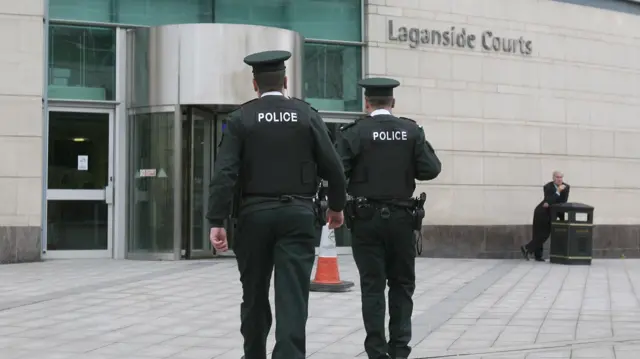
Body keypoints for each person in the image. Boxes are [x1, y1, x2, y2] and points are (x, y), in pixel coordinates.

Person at [206, 50, 347, 359]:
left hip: (253, 217)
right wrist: (336, 207)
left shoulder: (240, 118)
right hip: (297, 216)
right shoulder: (306, 114)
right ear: (285, 81)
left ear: (254, 84)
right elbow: (335, 168)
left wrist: (217, 219)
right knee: (292, 297)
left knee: (254, 295)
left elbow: (225, 172)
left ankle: (253, 353)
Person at [336, 77, 442, 359]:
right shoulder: (410, 131)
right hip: (401, 219)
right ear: (392, 103)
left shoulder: (355, 132)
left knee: (372, 287)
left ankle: (376, 352)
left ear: (366, 103)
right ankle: (399, 351)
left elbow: (336, 171)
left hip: (365, 219)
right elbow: (431, 170)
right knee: (402, 285)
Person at [521, 170, 570, 262]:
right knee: (542, 234)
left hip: (552, 212)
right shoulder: (548, 187)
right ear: (553, 178)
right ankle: (529, 250)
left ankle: (533, 253)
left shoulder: (566, 187)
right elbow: (548, 200)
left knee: (543, 234)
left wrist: (560, 216)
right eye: (557, 177)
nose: (559, 179)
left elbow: (563, 202)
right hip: (541, 212)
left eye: (561, 177)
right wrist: (558, 191)